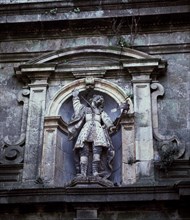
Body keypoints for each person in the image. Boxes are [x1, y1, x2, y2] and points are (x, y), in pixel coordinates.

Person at [68, 89, 116, 178]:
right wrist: (75, 97)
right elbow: (77, 107)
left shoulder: (101, 112)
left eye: (101, 100)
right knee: (83, 151)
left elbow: (107, 120)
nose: (100, 101)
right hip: (86, 131)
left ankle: (95, 172)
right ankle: (83, 173)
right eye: (98, 99)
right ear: (93, 100)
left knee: (97, 152)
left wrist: (110, 126)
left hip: (98, 132)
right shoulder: (85, 109)